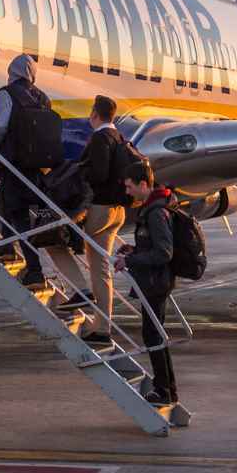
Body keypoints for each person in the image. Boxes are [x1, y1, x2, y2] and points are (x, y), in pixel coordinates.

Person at [70, 95, 132, 342]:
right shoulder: (120, 137)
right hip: (118, 211)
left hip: (99, 209)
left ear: (95, 114)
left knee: (53, 239)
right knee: (101, 269)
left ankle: (79, 291)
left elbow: (98, 173)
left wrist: (78, 170)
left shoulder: (100, 138)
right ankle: (102, 328)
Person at [0, 54, 53, 288]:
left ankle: (34, 271)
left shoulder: (6, 94)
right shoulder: (43, 98)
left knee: (19, 215)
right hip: (34, 166)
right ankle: (6, 247)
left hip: (13, 163)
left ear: (12, 72)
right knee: (9, 203)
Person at [117, 161, 177, 405]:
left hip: (155, 282)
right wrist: (134, 249)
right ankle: (167, 389)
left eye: (130, 187)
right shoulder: (154, 207)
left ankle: (164, 390)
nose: (128, 192)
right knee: (154, 335)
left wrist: (130, 260)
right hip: (154, 280)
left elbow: (164, 252)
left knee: (153, 336)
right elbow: (153, 246)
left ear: (143, 184)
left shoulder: (155, 213)